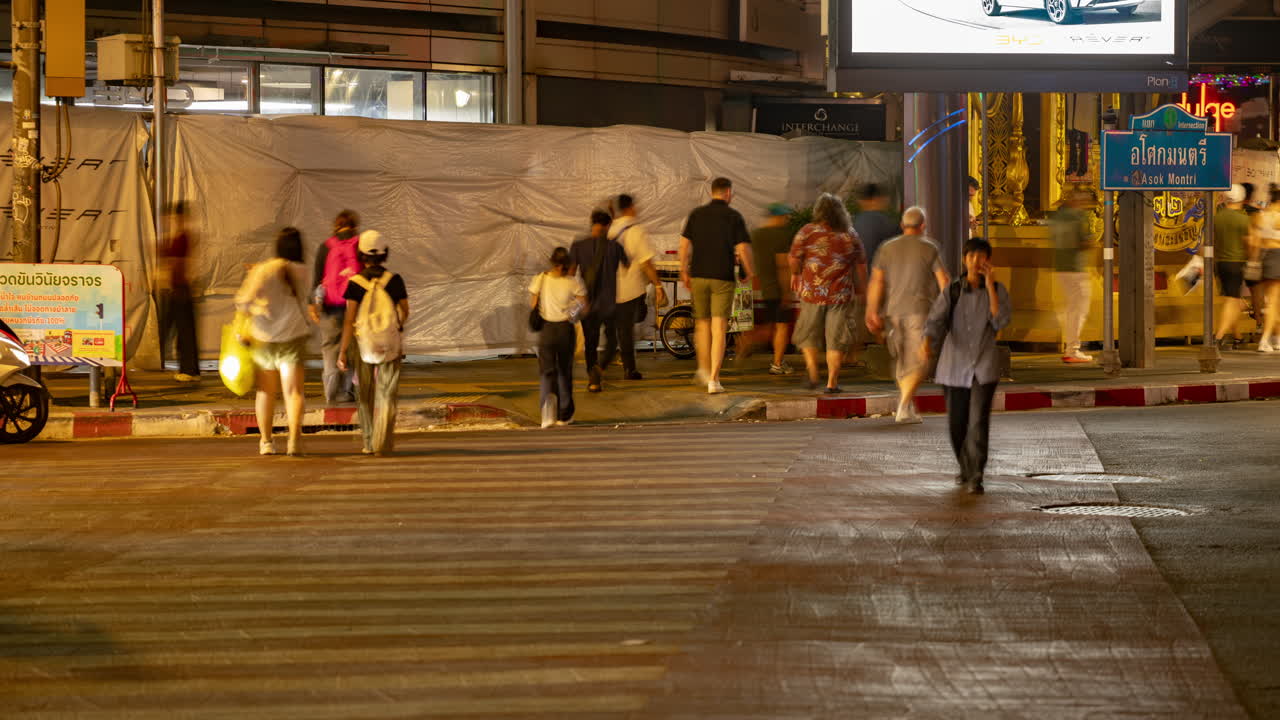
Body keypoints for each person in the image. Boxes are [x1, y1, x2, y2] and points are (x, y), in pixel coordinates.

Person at [922, 237, 1011, 495]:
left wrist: (991, 287)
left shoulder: (998, 289)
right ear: (964, 259)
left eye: (981, 256)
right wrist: (927, 341)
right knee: (957, 424)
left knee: (978, 423)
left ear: (988, 261)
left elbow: (999, 321)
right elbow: (935, 319)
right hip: (953, 366)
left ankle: (976, 474)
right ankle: (965, 466)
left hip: (983, 367)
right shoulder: (953, 289)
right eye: (971, 256)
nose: (975, 261)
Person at [865, 206, 949, 424]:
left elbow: (876, 281)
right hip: (920, 312)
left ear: (903, 226)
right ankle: (903, 406)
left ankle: (908, 405)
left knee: (903, 361)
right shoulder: (930, 247)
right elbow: (944, 283)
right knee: (921, 361)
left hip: (892, 312)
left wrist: (871, 310)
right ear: (923, 226)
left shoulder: (886, 248)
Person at [234, 227, 312, 456]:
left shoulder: (263, 269)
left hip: (264, 339)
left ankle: (266, 442)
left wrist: (259, 307)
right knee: (294, 392)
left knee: (266, 393)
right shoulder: (303, 271)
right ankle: (294, 441)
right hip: (293, 338)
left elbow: (243, 302)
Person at [679, 177, 756, 394]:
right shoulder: (733, 216)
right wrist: (749, 272)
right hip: (722, 277)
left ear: (712, 192)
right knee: (719, 327)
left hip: (699, 276)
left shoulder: (696, 214)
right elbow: (742, 248)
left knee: (702, 325)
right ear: (728, 193)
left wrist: (683, 270)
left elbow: (684, 244)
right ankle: (714, 379)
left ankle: (703, 369)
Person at [337, 231, 409, 456]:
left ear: (361, 255)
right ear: (385, 253)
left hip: (362, 343)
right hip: (389, 343)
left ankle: (369, 441)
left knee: (365, 393)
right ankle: (383, 441)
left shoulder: (354, 283)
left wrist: (342, 352)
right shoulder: (395, 280)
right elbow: (404, 312)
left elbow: (349, 321)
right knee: (387, 392)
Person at [788, 193, 867, 393]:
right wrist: (862, 288)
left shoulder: (807, 231)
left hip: (812, 292)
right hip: (840, 294)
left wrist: (795, 274)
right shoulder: (850, 234)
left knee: (808, 333)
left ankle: (813, 372)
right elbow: (861, 263)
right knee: (836, 338)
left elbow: (794, 258)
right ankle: (832, 382)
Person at [608, 195, 668, 381]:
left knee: (616, 328)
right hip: (629, 288)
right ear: (631, 208)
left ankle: (604, 361)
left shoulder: (610, 228)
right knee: (626, 328)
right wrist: (658, 285)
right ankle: (629, 369)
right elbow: (646, 263)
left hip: (609, 287)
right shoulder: (636, 230)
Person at [570, 209, 629, 393]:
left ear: (592, 223)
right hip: (610, 305)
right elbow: (627, 264)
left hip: (588, 304)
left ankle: (592, 378)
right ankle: (600, 368)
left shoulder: (579, 246)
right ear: (608, 226)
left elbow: (571, 274)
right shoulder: (615, 246)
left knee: (590, 343)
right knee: (612, 341)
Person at [530, 247, 587, 428]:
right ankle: (565, 415)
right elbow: (584, 302)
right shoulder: (572, 282)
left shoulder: (541, 279)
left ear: (553, 263)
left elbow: (533, 304)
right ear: (566, 264)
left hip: (547, 331)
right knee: (564, 373)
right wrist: (571, 313)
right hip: (565, 329)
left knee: (547, 373)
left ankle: (547, 415)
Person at [311, 210, 361, 403]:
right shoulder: (359, 245)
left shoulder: (326, 246)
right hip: (354, 307)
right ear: (354, 226)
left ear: (336, 226)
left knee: (330, 347)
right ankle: (348, 391)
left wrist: (314, 304)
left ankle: (331, 393)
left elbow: (317, 278)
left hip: (330, 306)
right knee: (350, 349)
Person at [850, 184, 898, 366]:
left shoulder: (854, 223)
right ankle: (885, 354)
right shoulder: (887, 223)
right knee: (882, 318)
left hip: (857, 279)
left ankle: (853, 356)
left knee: (858, 319)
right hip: (881, 280)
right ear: (877, 199)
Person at [750, 202, 797, 375]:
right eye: (785, 217)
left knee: (771, 325)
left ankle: (747, 342)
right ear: (778, 217)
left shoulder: (757, 234)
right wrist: (786, 292)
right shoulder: (782, 235)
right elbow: (783, 264)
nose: (786, 220)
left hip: (764, 285)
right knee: (782, 326)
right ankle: (777, 363)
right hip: (778, 286)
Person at [1050, 189, 1096, 363]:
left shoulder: (1058, 217)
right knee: (1079, 309)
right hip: (1076, 267)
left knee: (1071, 308)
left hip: (1061, 266)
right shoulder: (1078, 218)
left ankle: (1070, 347)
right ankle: (1072, 349)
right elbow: (1085, 242)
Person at [158, 201, 200, 382]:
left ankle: (190, 370)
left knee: (183, 330)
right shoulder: (177, 236)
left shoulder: (183, 236)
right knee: (178, 329)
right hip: (177, 287)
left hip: (180, 288)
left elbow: (179, 263)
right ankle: (190, 369)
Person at [1209, 185, 1253, 350]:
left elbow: (1210, 241)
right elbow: (1250, 243)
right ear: (1241, 199)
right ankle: (1218, 337)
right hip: (1237, 263)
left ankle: (1237, 336)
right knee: (1233, 300)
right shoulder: (1243, 219)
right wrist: (1253, 259)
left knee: (1232, 299)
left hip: (1220, 264)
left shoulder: (1217, 217)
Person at [1255, 185, 1280, 353]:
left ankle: (1277, 338)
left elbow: (1256, 240)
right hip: (1277, 255)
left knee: (1273, 301)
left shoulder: (1261, 215)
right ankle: (1264, 340)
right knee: (1273, 302)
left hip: (1265, 256)